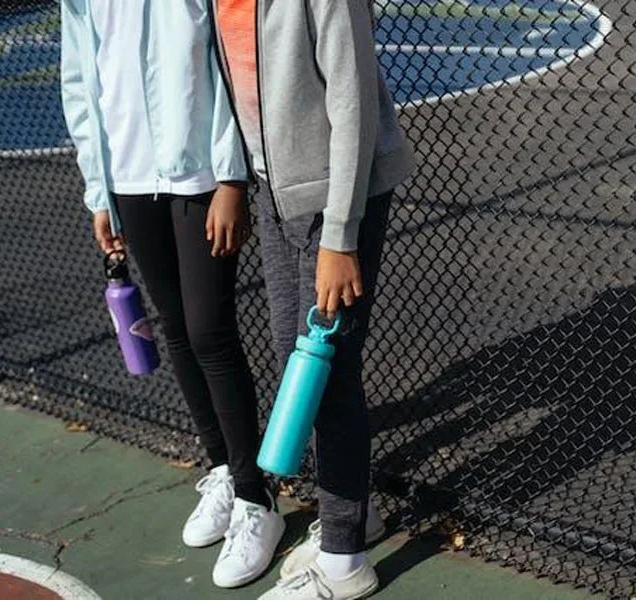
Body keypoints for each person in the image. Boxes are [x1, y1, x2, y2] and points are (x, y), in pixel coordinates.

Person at [60, 0, 284, 588]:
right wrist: (98, 191)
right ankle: (220, 469)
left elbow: (230, 61)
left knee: (210, 329)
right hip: (127, 178)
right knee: (176, 327)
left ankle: (255, 498)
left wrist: (233, 178)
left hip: (200, 175)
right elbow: (80, 82)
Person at [212, 0, 415, 597]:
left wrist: (339, 238)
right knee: (295, 360)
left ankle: (344, 563)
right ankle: (354, 513)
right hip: (278, 192)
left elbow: (352, 103)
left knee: (324, 373)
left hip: (333, 201)